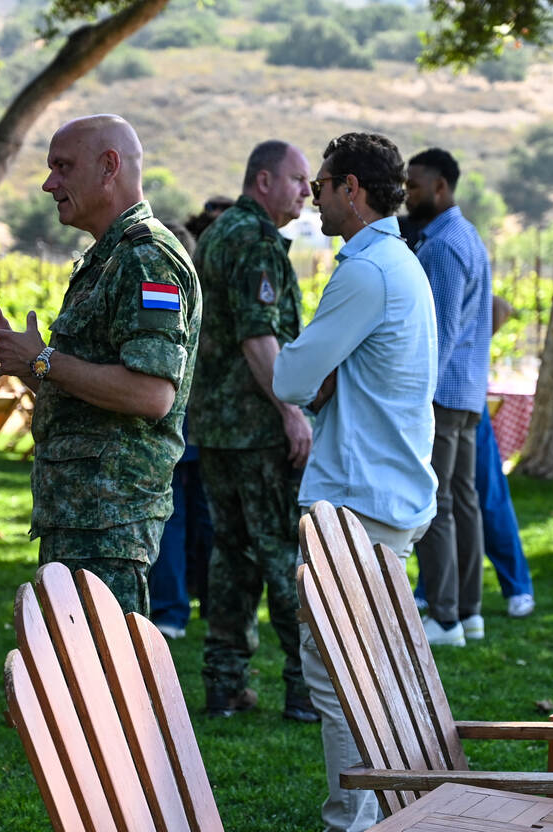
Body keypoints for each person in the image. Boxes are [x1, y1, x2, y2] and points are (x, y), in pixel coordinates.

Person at [0, 115, 201, 616]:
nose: (49, 183)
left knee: (106, 683)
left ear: (109, 167)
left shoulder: (145, 259)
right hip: (84, 519)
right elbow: (91, 395)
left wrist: (42, 359)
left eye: (62, 167)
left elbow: (151, 394)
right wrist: (27, 364)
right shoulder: (108, 257)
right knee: (75, 681)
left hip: (109, 525)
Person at [273, 132, 438, 832]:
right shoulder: (398, 261)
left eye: (322, 185)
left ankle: (356, 822)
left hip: (358, 505)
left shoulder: (367, 270)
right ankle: (394, 811)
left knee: (339, 675)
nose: (313, 198)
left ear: (352, 189)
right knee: (374, 671)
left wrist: (320, 376)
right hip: (383, 495)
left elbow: (289, 376)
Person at [188, 140, 317, 722]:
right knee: (283, 553)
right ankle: (305, 687)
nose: (307, 192)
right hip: (256, 428)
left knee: (231, 555)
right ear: (262, 180)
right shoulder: (256, 240)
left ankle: (225, 682)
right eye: (298, 180)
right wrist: (290, 409)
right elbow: (258, 338)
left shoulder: (218, 232)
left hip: (216, 427)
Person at [405, 147, 494, 648]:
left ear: (440, 187)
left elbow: (438, 332)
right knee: (463, 499)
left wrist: (417, 396)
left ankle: (443, 617)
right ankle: (469, 611)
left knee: (436, 503)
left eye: (414, 185)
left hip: (442, 392)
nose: (406, 193)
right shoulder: (469, 235)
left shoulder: (440, 245)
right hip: (468, 392)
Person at [412, 295, 535, 619]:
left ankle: (514, 588)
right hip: (459, 396)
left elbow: (501, 308)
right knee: (451, 500)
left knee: (478, 496)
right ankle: (438, 592)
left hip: (454, 398)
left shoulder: (448, 248)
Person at [149, 220, 214, 640]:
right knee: (201, 514)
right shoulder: (202, 295)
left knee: (173, 519)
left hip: (175, 423)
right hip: (204, 424)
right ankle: (209, 602)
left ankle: (172, 610)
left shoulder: (164, 290)